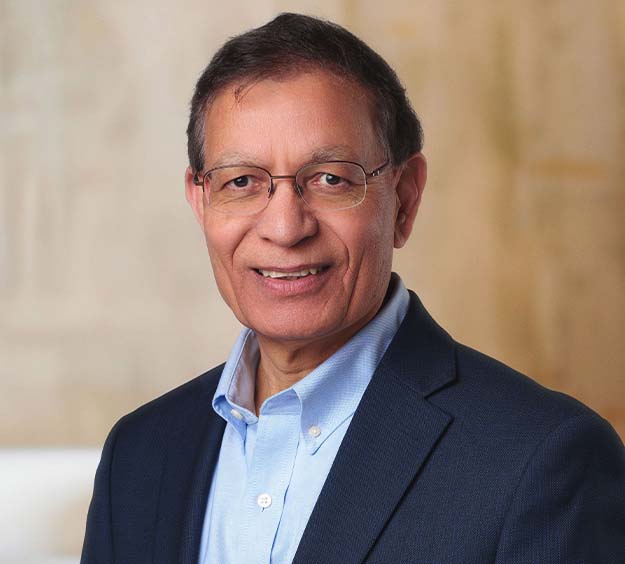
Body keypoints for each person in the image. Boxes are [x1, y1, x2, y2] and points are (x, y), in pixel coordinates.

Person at [81, 13, 625, 564]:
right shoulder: (138, 456)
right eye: (241, 181)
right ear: (201, 202)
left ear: (404, 201)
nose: (285, 228)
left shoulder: (544, 460)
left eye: (331, 179)